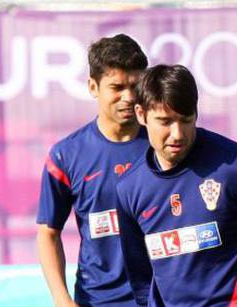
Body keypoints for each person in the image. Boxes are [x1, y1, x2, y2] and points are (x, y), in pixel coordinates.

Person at [115, 64, 237, 306]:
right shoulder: (129, 189)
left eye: (185, 120)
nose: (177, 134)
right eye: (165, 121)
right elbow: (142, 281)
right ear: (140, 114)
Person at [36, 34, 149, 307]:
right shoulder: (66, 155)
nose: (129, 97)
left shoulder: (165, 145)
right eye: (117, 87)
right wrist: (62, 299)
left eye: (136, 85)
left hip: (161, 299)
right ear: (93, 87)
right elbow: (48, 233)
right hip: (97, 301)